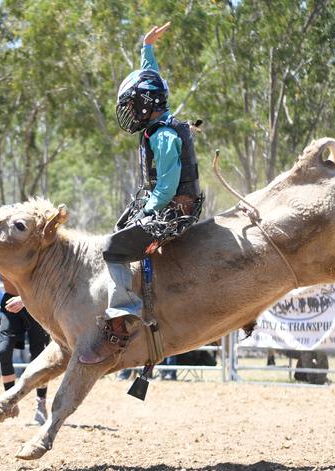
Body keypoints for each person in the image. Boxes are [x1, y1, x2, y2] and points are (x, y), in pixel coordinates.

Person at [80, 22, 202, 365]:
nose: (131, 111)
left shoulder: (163, 137)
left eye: (134, 105)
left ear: (148, 104)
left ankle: (119, 323)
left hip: (174, 210)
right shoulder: (158, 123)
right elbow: (152, 78)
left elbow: (165, 188)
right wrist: (146, 48)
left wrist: (148, 212)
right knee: (121, 230)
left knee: (114, 248)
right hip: (167, 205)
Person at [0, 268, 49, 425]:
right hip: (9, 303)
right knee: (4, 352)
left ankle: (41, 403)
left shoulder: (30, 243)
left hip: (35, 302)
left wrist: (24, 299)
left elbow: (45, 277)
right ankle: (9, 403)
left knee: (39, 355)